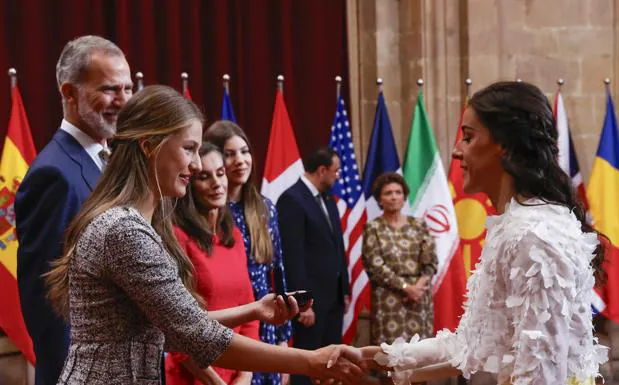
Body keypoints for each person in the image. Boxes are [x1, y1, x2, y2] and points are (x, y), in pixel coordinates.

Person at [43, 85, 363, 384]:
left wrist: (253, 310)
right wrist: (310, 361)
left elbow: (165, 327)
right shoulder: (124, 230)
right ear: (149, 146)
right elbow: (195, 333)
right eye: (189, 149)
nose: (196, 165)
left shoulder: (128, 223)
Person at [361, 81, 609, 385]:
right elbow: (471, 343)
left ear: (503, 145)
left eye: (468, 137)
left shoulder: (534, 235)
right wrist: (381, 358)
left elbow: (542, 374)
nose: (456, 150)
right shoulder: (514, 226)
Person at [15, 35, 132, 385]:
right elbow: (48, 301)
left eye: (128, 88)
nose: (124, 101)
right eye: (111, 89)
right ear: (69, 93)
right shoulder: (55, 174)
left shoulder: (109, 159)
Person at [204, 121, 292, 385]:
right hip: (227, 322)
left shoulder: (265, 208)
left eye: (244, 151)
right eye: (230, 154)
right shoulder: (208, 212)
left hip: (265, 324)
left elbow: (278, 274)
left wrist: (283, 338)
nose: (240, 160)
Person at [167, 142, 259, 385]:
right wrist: (216, 382)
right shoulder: (177, 238)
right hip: (196, 376)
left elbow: (250, 311)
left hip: (238, 371)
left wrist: (245, 375)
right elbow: (175, 325)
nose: (217, 183)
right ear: (189, 184)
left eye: (220, 174)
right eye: (204, 177)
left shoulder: (235, 236)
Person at [277, 147, 350, 385]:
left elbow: (337, 247)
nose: (338, 176)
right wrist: (303, 303)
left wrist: (345, 288)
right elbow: (293, 256)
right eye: (336, 171)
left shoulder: (327, 198)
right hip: (311, 304)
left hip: (334, 299)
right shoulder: (292, 199)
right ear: (322, 170)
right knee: (306, 365)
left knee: (330, 364)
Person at [362, 172, 437, 348]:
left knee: (420, 355)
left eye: (398, 192)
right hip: (389, 299)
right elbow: (375, 265)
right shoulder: (373, 227)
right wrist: (406, 288)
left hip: (419, 298)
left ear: (404, 197)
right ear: (380, 199)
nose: (394, 197)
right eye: (388, 193)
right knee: (391, 359)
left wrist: (418, 287)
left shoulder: (418, 224)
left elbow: (431, 261)